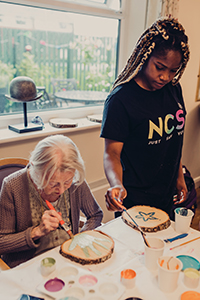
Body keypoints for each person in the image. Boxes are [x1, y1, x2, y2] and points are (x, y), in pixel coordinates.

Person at [100, 17, 190, 218]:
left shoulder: (173, 90)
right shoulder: (120, 100)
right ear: (145, 57)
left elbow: (174, 138)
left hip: (166, 193)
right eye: (159, 67)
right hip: (134, 199)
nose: (165, 77)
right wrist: (116, 184)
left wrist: (179, 176)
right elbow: (111, 154)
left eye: (173, 70)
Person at [0, 134, 103, 268]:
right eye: (53, 183)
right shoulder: (12, 186)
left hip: (69, 257)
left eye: (66, 182)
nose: (61, 190)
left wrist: (79, 239)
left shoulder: (74, 181)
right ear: (35, 170)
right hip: (29, 264)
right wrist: (36, 232)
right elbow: (2, 242)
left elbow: (95, 215)